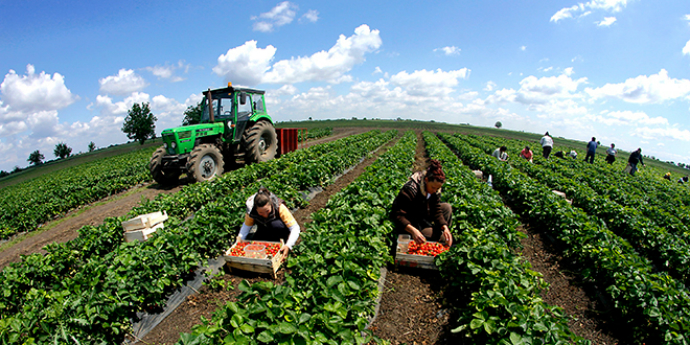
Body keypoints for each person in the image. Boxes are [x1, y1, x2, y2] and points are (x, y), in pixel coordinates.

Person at [391, 159, 453, 249]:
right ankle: (432, 238)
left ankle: (440, 234)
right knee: (437, 237)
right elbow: (398, 215)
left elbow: (436, 210)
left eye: (437, 188)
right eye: (433, 187)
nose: (435, 190)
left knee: (447, 207)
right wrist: (413, 231)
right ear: (426, 180)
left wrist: (445, 227)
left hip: (424, 216)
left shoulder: (434, 190)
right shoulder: (410, 190)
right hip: (411, 222)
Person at [237, 187, 300, 257]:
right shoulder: (251, 211)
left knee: (275, 224)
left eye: (267, 211)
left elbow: (295, 228)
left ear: (271, 205)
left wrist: (289, 245)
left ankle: (283, 239)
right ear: (256, 209)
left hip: (279, 229)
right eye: (261, 212)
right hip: (264, 228)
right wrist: (240, 238)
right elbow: (247, 226)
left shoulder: (279, 207)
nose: (265, 215)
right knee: (256, 240)